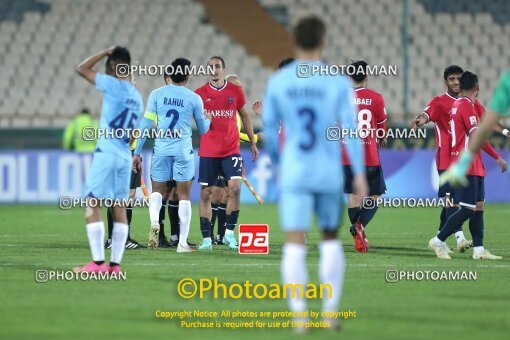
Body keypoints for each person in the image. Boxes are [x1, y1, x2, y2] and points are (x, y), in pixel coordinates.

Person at [262, 16, 367, 330]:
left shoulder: (279, 82)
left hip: (295, 171)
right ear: (324, 41)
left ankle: (299, 316)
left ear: (294, 42)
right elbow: (351, 131)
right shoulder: (336, 81)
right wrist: (359, 172)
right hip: (327, 173)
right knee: (330, 239)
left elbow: (268, 131)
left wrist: (279, 165)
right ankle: (331, 311)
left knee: (294, 242)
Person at [412, 65, 506, 252]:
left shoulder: (471, 103)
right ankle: (457, 237)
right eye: (451, 79)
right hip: (446, 159)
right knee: (452, 202)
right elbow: (426, 114)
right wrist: (420, 120)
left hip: (464, 159)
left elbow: (488, 119)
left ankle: (445, 237)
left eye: (458, 79)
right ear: (445, 82)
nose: (455, 82)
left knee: (456, 202)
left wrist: (504, 130)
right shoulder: (439, 102)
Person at [74, 46, 143, 274]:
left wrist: (104, 52)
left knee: (92, 203)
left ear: (113, 67)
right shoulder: (136, 95)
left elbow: (82, 69)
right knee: (119, 207)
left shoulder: (112, 84)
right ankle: (115, 265)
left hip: (106, 153)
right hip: (125, 155)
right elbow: (134, 132)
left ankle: (96, 263)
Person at [133, 57, 211, 252]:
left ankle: (154, 222)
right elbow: (202, 129)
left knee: (157, 191)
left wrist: (136, 152)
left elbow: (145, 125)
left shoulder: (156, 95)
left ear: (169, 74)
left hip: (161, 149)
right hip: (183, 151)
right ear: (187, 75)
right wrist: (208, 120)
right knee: (183, 194)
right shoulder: (194, 98)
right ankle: (182, 243)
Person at [195, 56, 259, 250]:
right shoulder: (198, 94)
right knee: (206, 194)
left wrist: (253, 143)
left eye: (217, 67)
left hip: (231, 150)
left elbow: (245, 116)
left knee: (235, 189)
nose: (214, 70)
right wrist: (203, 121)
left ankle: (229, 233)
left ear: (223, 69)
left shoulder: (235, 91)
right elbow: (198, 124)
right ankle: (206, 239)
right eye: (210, 67)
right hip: (208, 150)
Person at [209, 74, 263, 245]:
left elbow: (235, 135)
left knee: (228, 194)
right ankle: (209, 235)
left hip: (232, 154)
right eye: (236, 87)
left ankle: (223, 235)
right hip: (216, 155)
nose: (239, 90)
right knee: (216, 194)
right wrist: (254, 137)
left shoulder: (239, 110)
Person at [342, 60, 387, 253]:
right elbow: (382, 129)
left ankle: (359, 236)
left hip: (347, 156)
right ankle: (360, 227)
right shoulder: (376, 98)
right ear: (367, 76)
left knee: (353, 198)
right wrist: (382, 137)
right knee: (375, 197)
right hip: (369, 156)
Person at [441, 69, 510, 186]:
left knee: (476, 204)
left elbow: (488, 122)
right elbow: (481, 130)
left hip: (468, 162)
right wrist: (497, 157)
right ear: (477, 88)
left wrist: (505, 131)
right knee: (464, 203)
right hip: (468, 163)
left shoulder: (472, 104)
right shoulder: (466, 105)